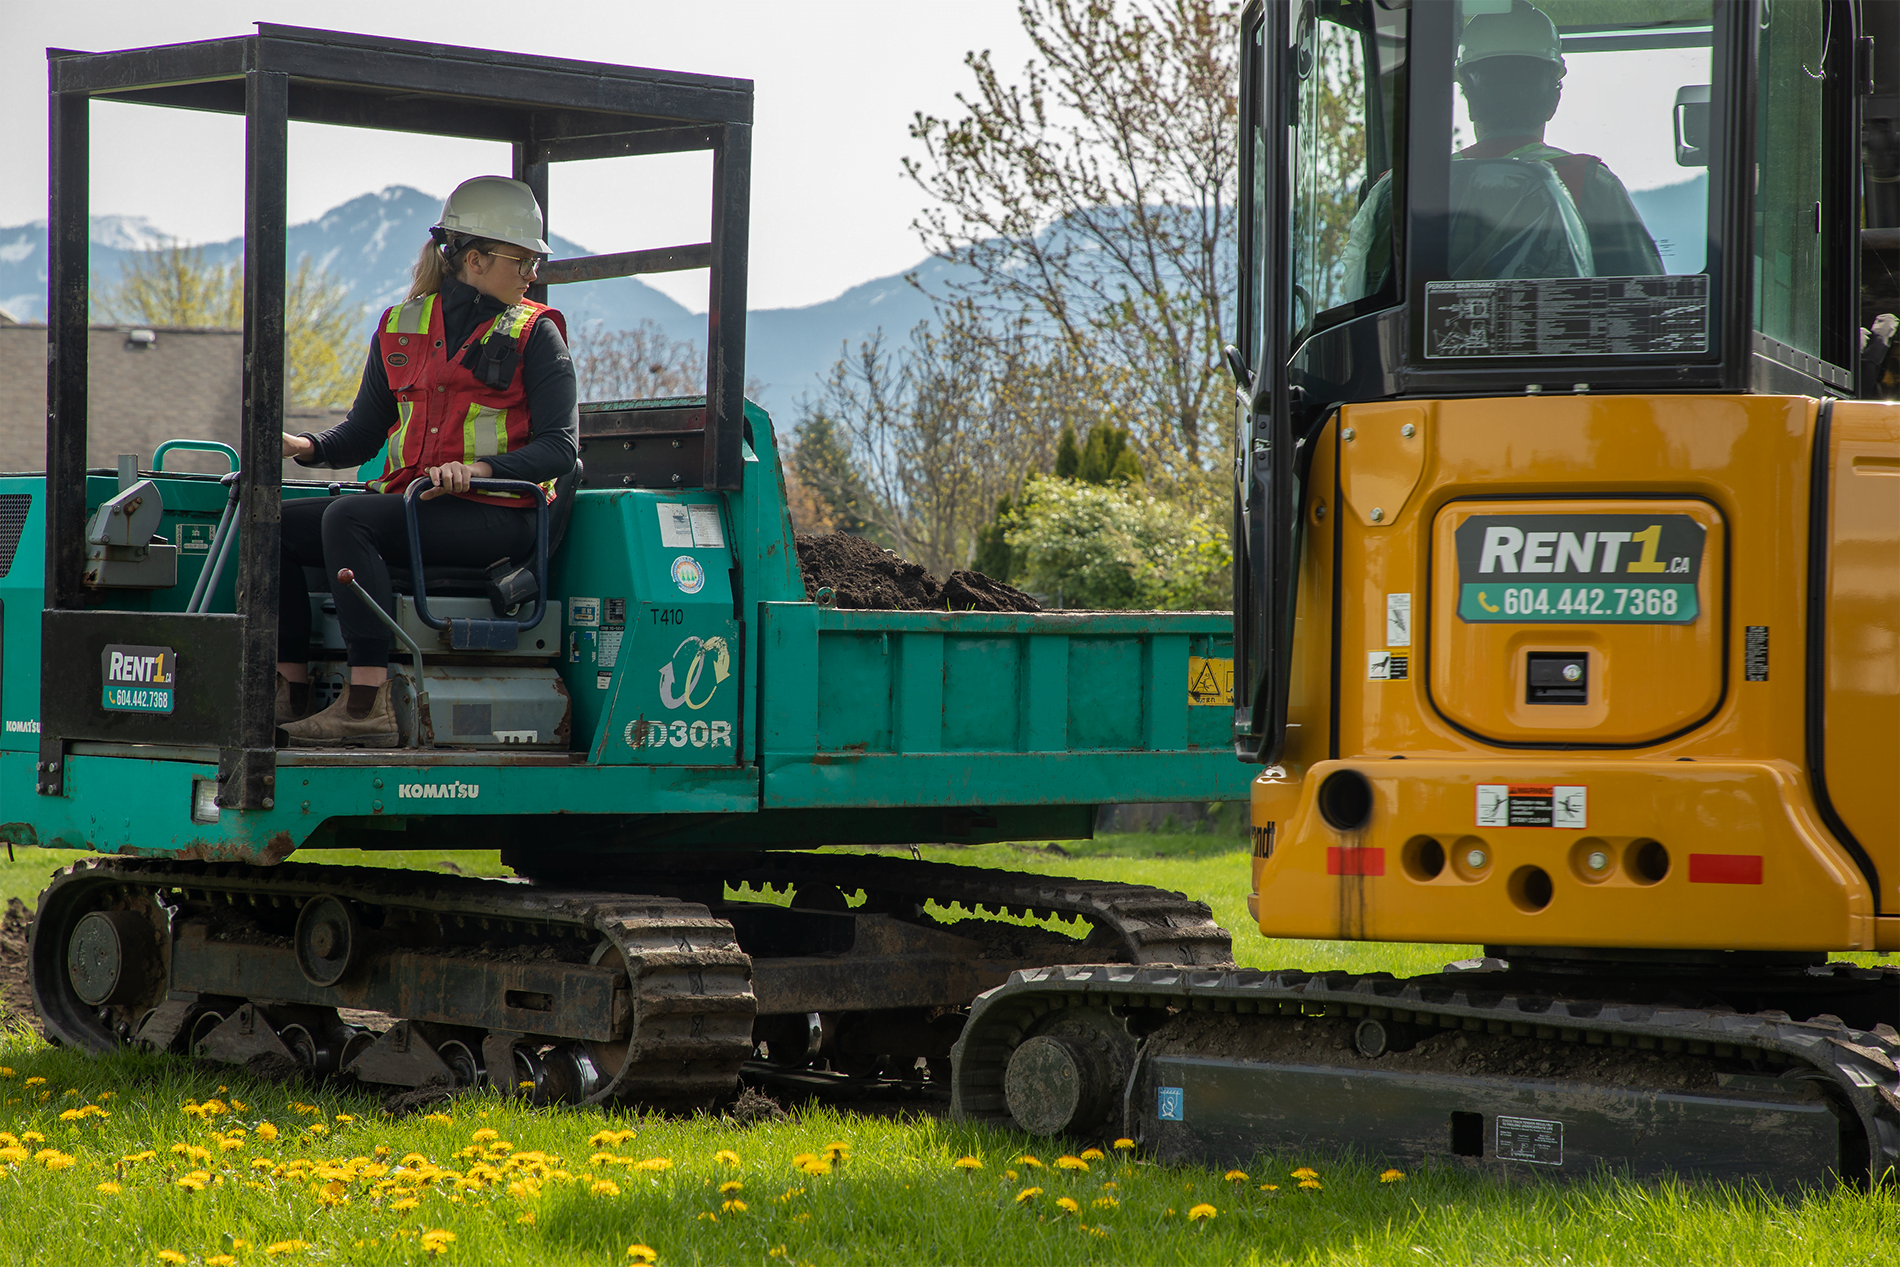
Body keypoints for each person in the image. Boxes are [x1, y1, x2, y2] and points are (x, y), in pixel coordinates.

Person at [275, 176, 579, 747]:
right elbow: (364, 434)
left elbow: (561, 448)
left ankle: (364, 705)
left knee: (349, 519)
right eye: (523, 259)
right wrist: (306, 448)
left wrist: (482, 471)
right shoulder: (400, 325)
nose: (532, 272)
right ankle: (287, 687)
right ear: (476, 257)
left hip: (499, 518)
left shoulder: (537, 334)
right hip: (419, 510)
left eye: (535, 261)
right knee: (273, 524)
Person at [1339, 2, 1664, 300]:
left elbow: (1365, 306)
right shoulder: (1589, 184)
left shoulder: (1398, 191)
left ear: (1468, 95)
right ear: (1553, 99)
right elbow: (1645, 308)